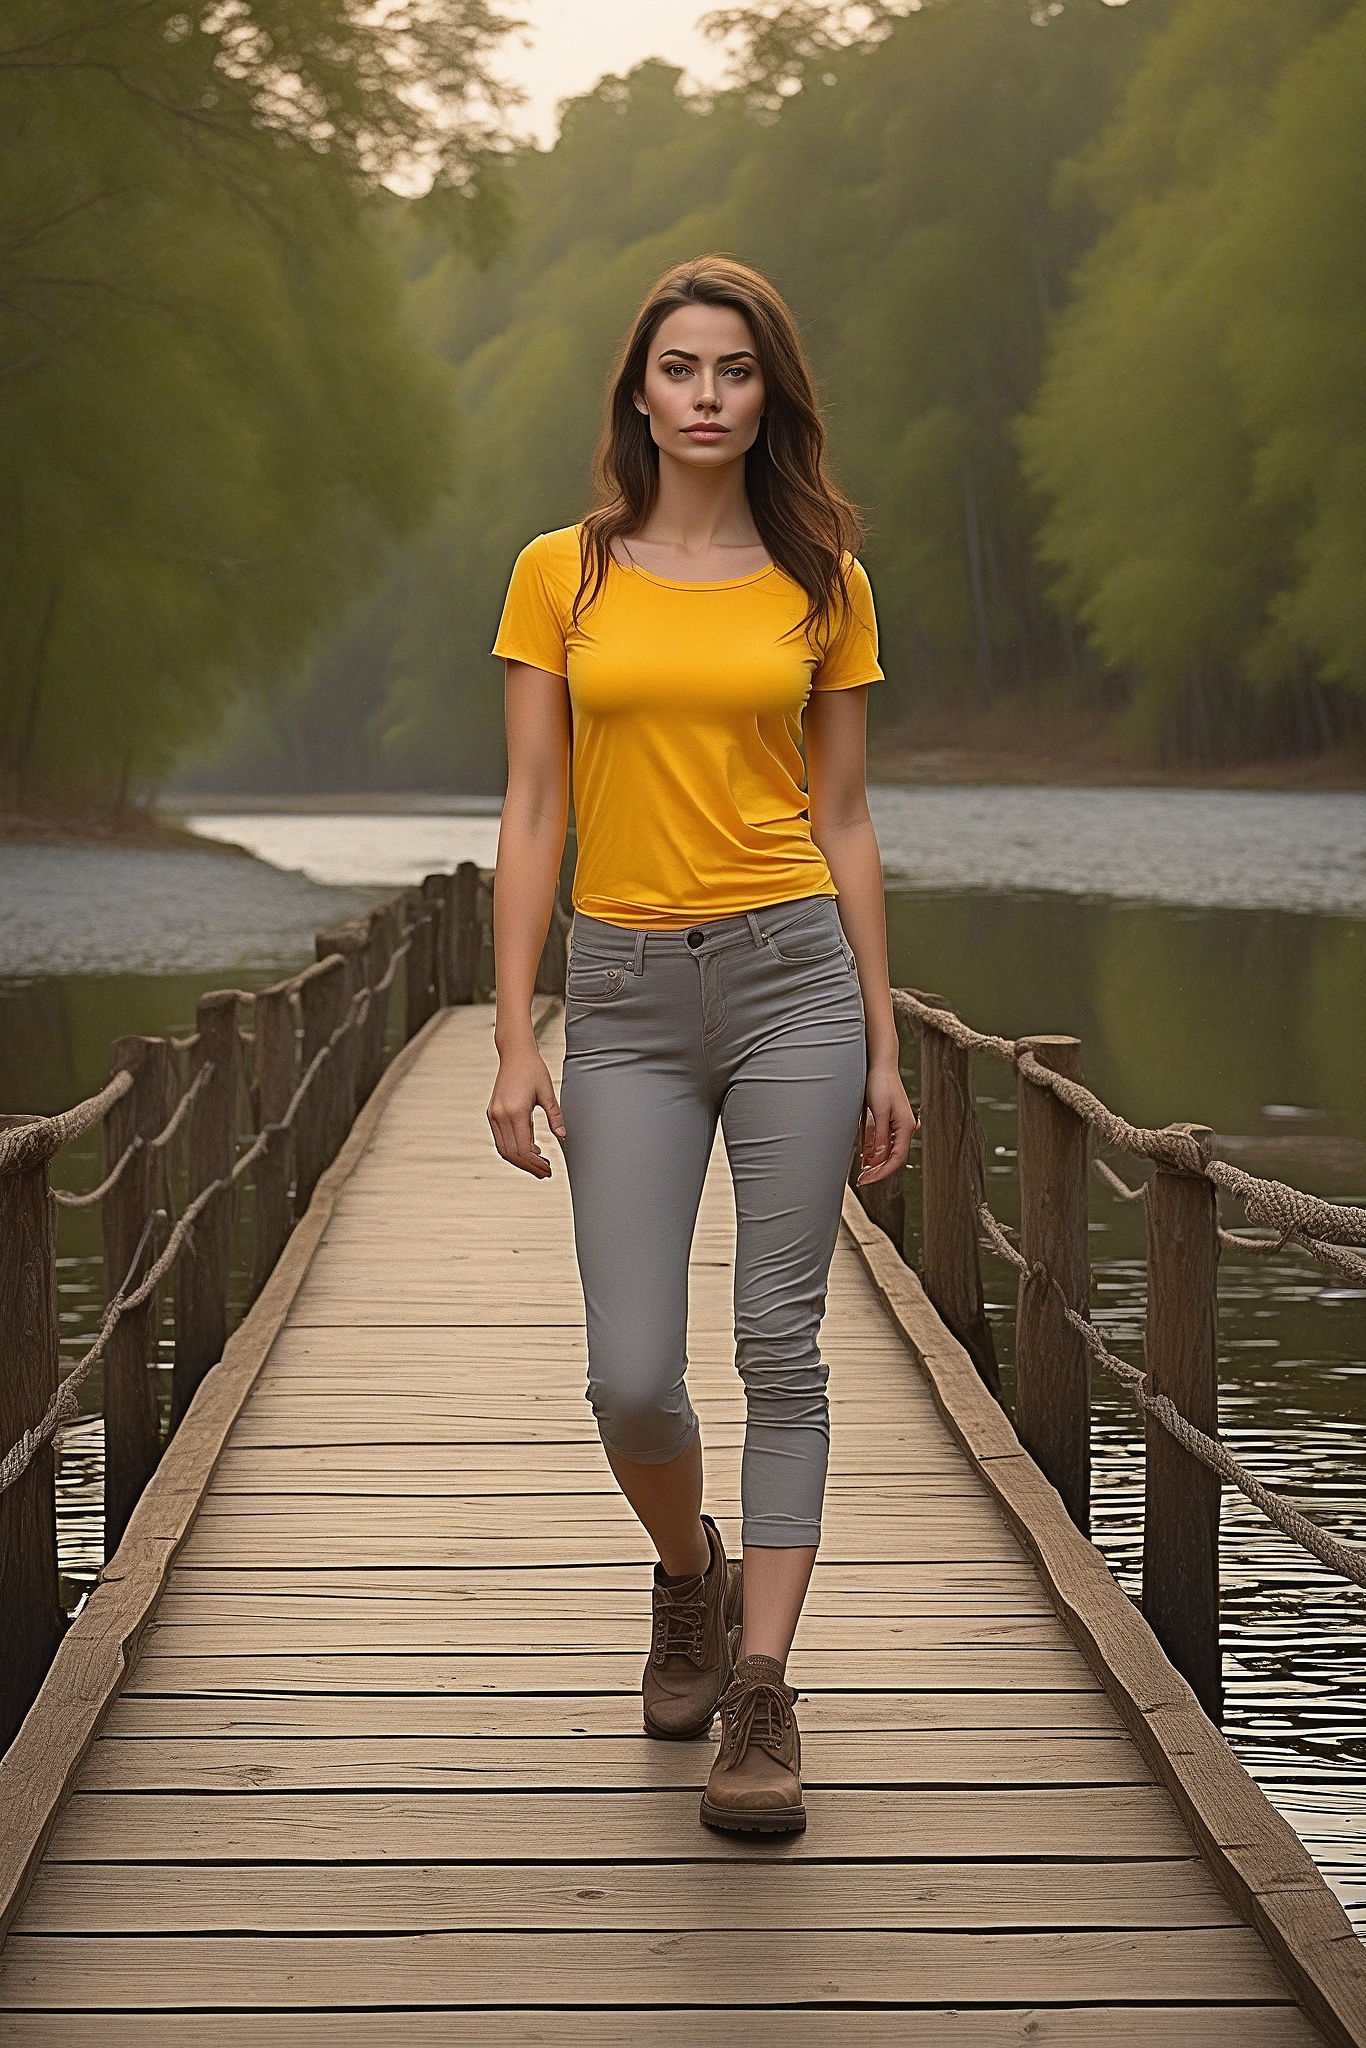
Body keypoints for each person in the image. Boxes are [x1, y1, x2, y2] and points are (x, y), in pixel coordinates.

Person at [485, 254, 916, 1836]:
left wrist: (881, 1042)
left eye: (737, 371)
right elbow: (535, 806)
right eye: (683, 369)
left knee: (782, 1346)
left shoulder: (825, 578)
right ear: (641, 394)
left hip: (794, 975)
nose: (711, 396)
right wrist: (517, 1030)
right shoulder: (561, 574)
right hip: (625, 1000)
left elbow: (845, 816)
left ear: (769, 394)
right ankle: (689, 1574)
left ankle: (762, 1693)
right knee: (631, 1376)